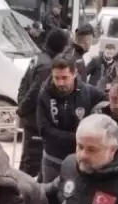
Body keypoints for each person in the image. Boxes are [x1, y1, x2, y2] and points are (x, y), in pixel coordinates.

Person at [38, 55, 106, 183]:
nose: (60, 83)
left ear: (75, 73)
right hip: (53, 160)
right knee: (49, 193)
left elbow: (107, 108)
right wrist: (78, 137)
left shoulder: (90, 93)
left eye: (65, 78)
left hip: (80, 162)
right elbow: (44, 130)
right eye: (56, 78)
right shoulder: (45, 94)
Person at [18, 29, 70, 177]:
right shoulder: (47, 66)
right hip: (36, 122)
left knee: (26, 160)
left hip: (30, 119)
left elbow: (23, 84)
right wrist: (22, 109)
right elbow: (35, 93)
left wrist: (21, 105)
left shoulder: (38, 58)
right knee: (32, 166)